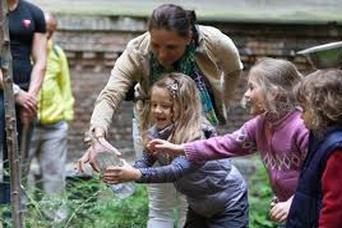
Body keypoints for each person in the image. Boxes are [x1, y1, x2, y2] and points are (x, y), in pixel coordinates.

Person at [77, 4, 242, 228]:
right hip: (152, 126)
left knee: (190, 202)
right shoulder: (136, 50)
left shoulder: (213, 41)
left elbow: (234, 69)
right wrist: (97, 138)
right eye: (156, 45)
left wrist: (222, 104)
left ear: (189, 36)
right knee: (160, 205)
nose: (162, 55)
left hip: (195, 126)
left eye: (171, 47)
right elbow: (110, 94)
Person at [148, 58, 309, 224]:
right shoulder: (260, 125)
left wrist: (293, 201)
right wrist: (180, 149)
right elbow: (224, 144)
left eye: (252, 87)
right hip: (292, 208)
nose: (246, 94)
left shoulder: (302, 128)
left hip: (311, 207)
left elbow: (320, 177)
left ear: (273, 93)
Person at [103, 73, 248, 228]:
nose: (157, 110)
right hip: (199, 207)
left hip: (229, 203)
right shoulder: (156, 133)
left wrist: (137, 175)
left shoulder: (198, 134)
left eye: (165, 106)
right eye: (154, 104)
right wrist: (126, 171)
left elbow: (177, 170)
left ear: (185, 107)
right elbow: (146, 160)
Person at [286, 69, 342, 228]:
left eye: (304, 109)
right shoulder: (321, 137)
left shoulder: (339, 149)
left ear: (322, 109)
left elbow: (335, 208)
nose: (301, 116)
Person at [27, 12, 74, 221]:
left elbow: (65, 87)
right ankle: (23, 217)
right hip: (27, 125)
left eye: (52, 31)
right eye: (45, 29)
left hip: (54, 125)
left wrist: (66, 115)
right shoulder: (23, 52)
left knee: (55, 176)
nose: (48, 34)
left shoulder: (57, 53)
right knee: (21, 174)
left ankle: (56, 220)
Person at [0, 0, 46, 205]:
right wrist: (15, 92)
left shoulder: (34, 13)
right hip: (6, 95)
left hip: (25, 97)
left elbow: (41, 61)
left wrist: (30, 97)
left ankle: (10, 216)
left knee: (16, 162)